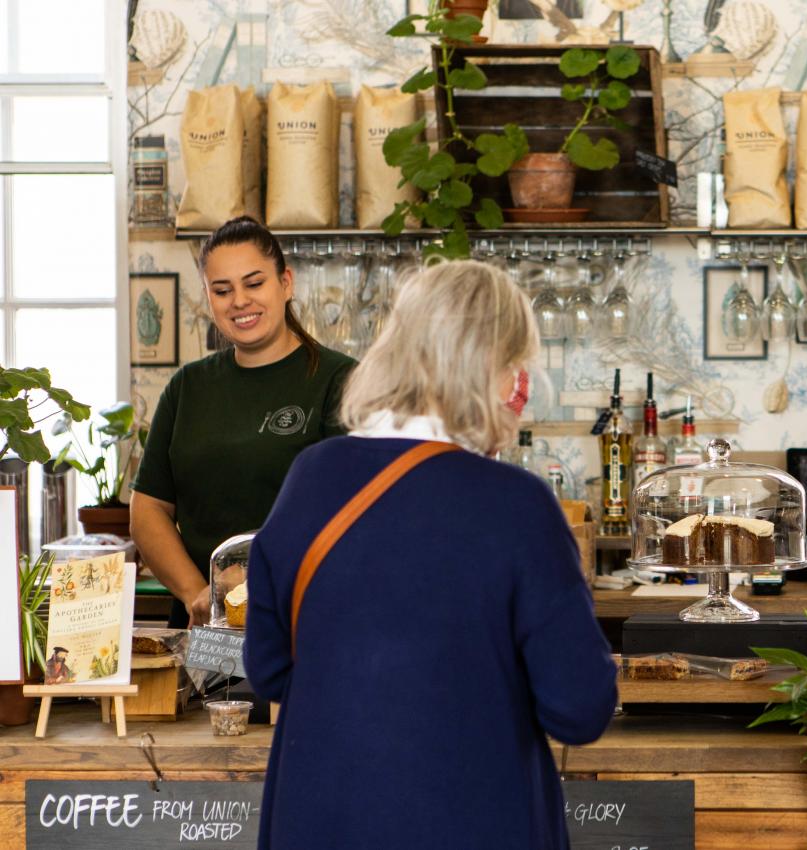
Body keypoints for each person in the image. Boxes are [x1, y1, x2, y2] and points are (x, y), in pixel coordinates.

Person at [244, 259, 616, 849]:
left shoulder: (309, 477)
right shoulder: (518, 505)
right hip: (476, 819)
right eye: (515, 366)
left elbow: (267, 671)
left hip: (320, 818)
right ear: (491, 370)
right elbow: (579, 707)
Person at [131, 217, 357, 627]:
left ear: (285, 283)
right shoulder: (187, 387)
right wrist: (197, 593)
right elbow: (148, 509)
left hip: (304, 626)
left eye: (254, 284)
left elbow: (350, 512)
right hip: (206, 633)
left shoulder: (340, 381)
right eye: (222, 290)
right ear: (208, 297)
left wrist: (255, 587)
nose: (239, 301)